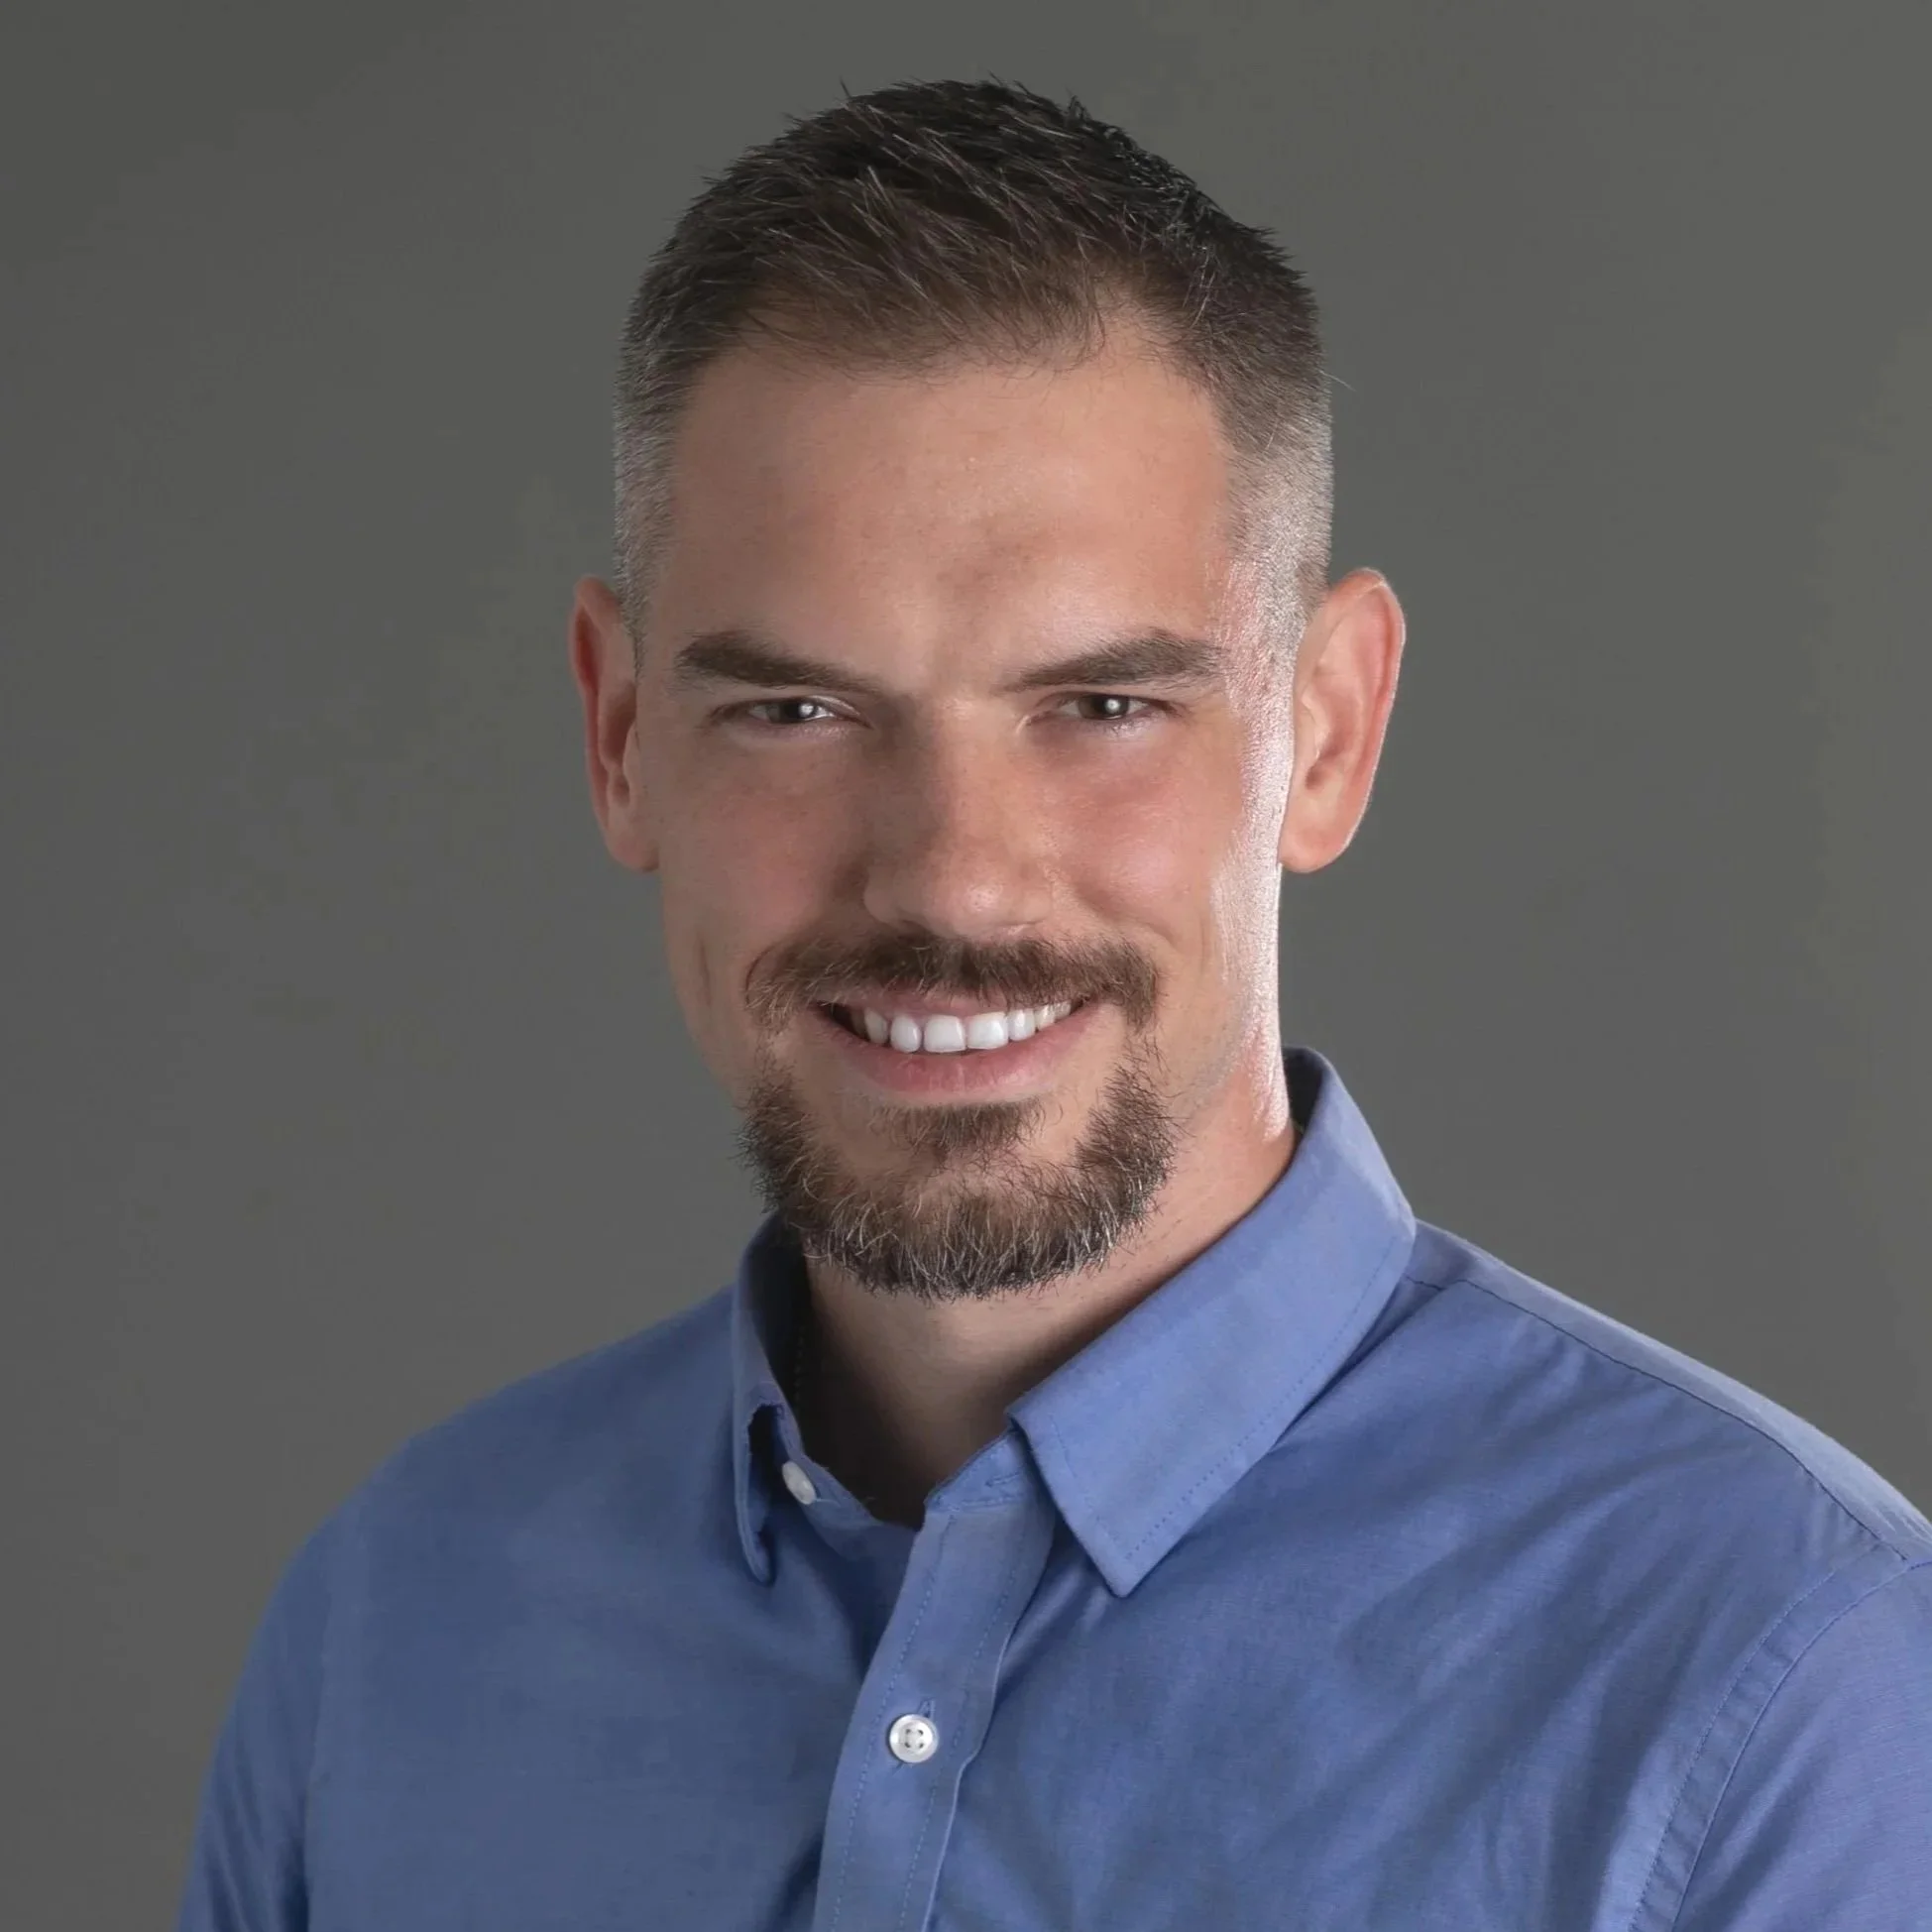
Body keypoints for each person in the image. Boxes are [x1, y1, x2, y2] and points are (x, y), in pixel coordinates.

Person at [177, 77, 1932, 1932]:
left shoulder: (1785, 1690)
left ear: (1325, 736)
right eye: (795, 712)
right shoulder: (393, 1637)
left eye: (1102, 709)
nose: (951, 878)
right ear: (619, 738)